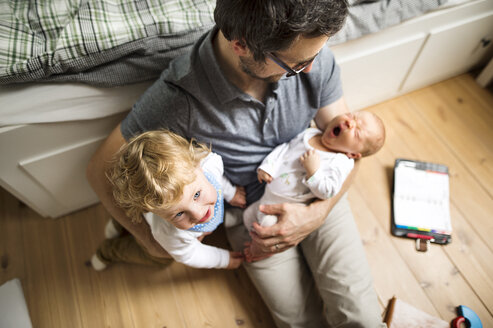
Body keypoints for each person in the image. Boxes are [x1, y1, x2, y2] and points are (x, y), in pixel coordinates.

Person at [86, 0, 386, 326]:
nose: (312, 68)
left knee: (362, 317)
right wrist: (149, 241)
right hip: (253, 219)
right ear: (241, 45)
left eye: (313, 56)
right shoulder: (178, 99)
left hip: (317, 190)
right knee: (300, 321)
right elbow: (99, 167)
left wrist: (317, 213)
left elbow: (351, 152)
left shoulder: (313, 55)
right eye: (296, 65)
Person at [90, 130, 246, 270]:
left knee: (130, 209)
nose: (198, 215)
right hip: (148, 223)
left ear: (198, 164)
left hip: (144, 208)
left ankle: (117, 224)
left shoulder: (210, 164)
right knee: (159, 259)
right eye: (179, 214)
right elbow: (190, 254)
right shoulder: (168, 234)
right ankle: (108, 251)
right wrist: (222, 259)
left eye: (197, 195)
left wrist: (230, 193)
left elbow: (217, 179)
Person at [243, 110, 385, 260]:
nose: (350, 123)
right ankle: (243, 224)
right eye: (351, 116)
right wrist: (267, 166)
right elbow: (285, 149)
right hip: (267, 196)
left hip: (284, 209)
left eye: (357, 133)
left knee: (265, 227)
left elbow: (328, 192)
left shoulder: (340, 163)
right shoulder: (311, 133)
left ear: (353, 154)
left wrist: (313, 172)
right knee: (247, 216)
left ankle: (261, 250)